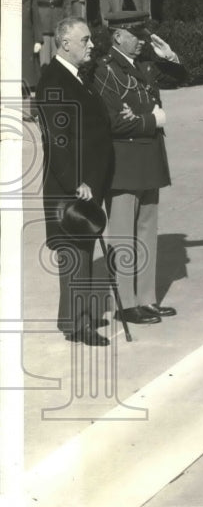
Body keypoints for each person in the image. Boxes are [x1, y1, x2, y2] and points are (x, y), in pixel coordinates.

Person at [92, 11, 187, 325]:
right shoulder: (104, 70)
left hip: (148, 159)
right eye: (136, 34)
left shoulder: (141, 65)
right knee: (123, 236)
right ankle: (127, 303)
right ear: (118, 36)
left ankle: (146, 299)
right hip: (124, 164)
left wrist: (169, 56)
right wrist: (153, 120)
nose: (143, 39)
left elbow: (179, 78)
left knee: (147, 232)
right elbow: (116, 122)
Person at [35, 17, 115, 346]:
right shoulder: (53, 80)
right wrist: (77, 183)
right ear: (65, 44)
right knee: (74, 251)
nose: (91, 44)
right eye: (86, 40)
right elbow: (57, 140)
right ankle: (77, 325)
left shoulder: (77, 78)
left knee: (80, 249)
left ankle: (75, 319)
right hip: (69, 185)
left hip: (86, 183)